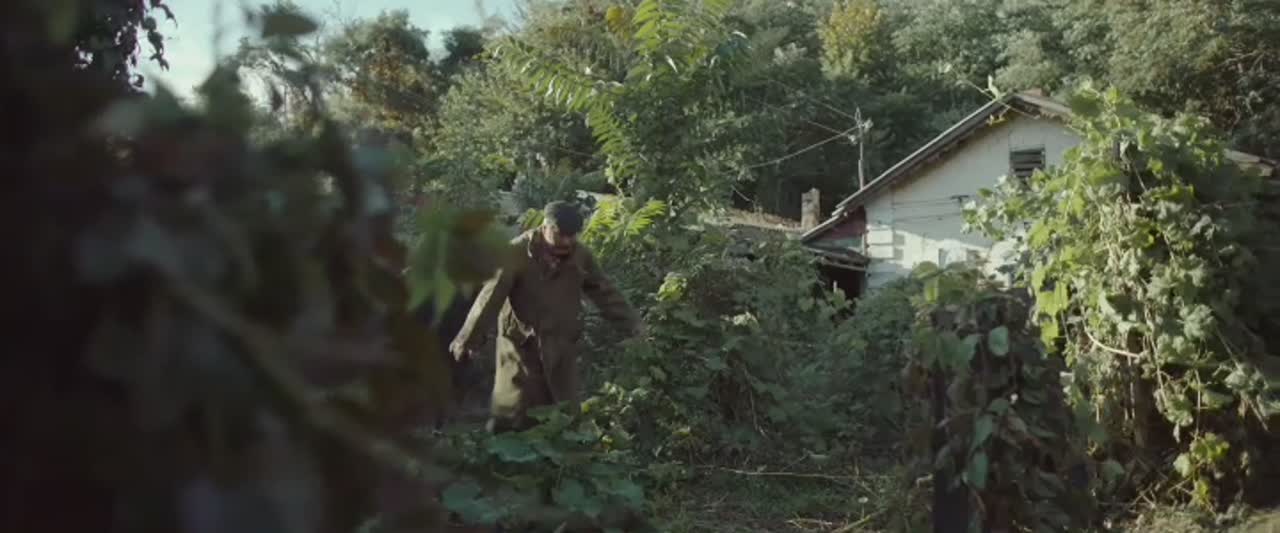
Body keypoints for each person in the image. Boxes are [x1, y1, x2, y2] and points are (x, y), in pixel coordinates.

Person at [449, 201, 645, 433]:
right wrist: (468, 339)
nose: (567, 241)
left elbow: (605, 292)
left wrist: (633, 325)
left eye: (572, 236)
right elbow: (490, 297)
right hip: (521, 348)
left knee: (563, 415)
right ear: (546, 227)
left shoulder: (580, 255)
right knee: (514, 414)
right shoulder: (515, 253)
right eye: (561, 235)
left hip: (561, 347)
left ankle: (560, 453)